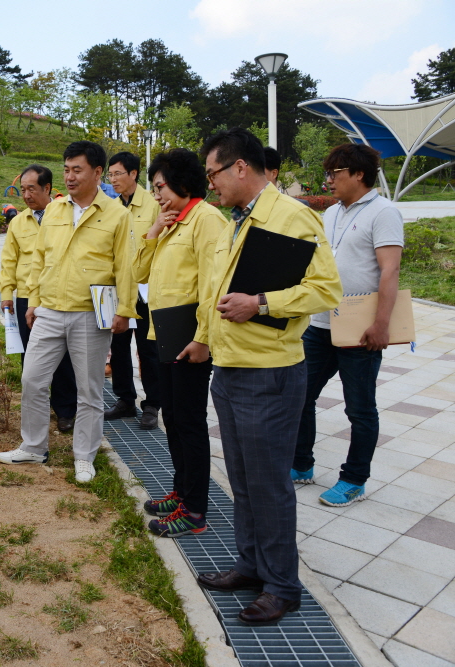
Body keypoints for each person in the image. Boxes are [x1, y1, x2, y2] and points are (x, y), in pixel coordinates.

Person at [196, 128, 341, 625]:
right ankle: (251, 565)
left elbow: (326, 289)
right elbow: (217, 291)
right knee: (242, 479)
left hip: (269, 373)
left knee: (268, 483)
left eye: (213, 173)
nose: (210, 183)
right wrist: (203, 339)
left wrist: (261, 303)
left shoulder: (291, 217)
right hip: (230, 367)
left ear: (240, 167)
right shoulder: (235, 221)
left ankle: (282, 586)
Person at [0, 141, 135, 484]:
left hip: (90, 313)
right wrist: (35, 301)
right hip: (50, 310)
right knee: (32, 379)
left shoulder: (117, 214)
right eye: (67, 170)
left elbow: (126, 266)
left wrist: (125, 310)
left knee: (89, 391)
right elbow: (40, 260)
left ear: (97, 172)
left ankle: (84, 457)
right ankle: (33, 446)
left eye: (77, 170)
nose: (70, 177)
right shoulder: (55, 211)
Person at [292, 144, 403, 506]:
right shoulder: (331, 213)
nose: (329, 179)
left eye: (335, 173)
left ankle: (354, 479)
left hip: (360, 327)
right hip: (320, 324)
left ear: (358, 174)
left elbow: (390, 270)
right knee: (300, 396)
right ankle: (301, 464)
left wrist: (381, 324)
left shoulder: (384, 212)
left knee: (359, 409)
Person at [132, 148, 225, 537]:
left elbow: (212, 285)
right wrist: (153, 232)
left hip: (190, 340)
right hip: (164, 335)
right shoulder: (171, 223)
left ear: (183, 182)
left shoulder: (206, 220)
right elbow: (139, 273)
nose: (157, 196)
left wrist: (203, 338)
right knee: (172, 418)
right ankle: (182, 491)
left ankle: (195, 509)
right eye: (154, 189)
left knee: (189, 423)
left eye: (161, 187)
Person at [0, 165, 79, 433]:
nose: (26, 195)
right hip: (26, 297)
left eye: (31, 189)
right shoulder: (18, 222)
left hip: (57, 297)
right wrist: (6, 294)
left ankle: (65, 410)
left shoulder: (66, 217)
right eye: (22, 190)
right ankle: (37, 411)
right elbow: (8, 261)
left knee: (63, 358)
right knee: (30, 358)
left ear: (47, 188)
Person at [104, 151, 162, 429]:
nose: (113, 179)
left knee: (148, 348)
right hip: (118, 289)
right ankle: (125, 399)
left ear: (133, 174)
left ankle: (152, 404)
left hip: (145, 290)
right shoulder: (110, 208)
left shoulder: (153, 205)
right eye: (110, 174)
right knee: (118, 346)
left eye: (117, 174)